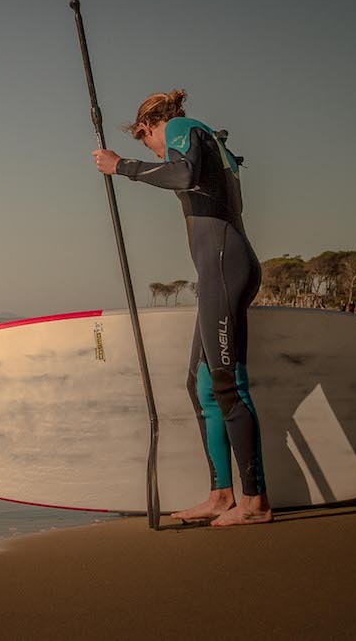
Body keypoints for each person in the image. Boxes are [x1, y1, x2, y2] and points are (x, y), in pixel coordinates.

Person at [91, 89, 271, 526]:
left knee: (227, 387)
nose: (153, 148)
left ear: (146, 127)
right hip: (219, 272)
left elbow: (183, 173)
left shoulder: (181, 128)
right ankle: (221, 495)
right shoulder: (203, 139)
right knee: (202, 387)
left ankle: (256, 504)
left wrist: (123, 167)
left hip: (226, 269)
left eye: (144, 141)